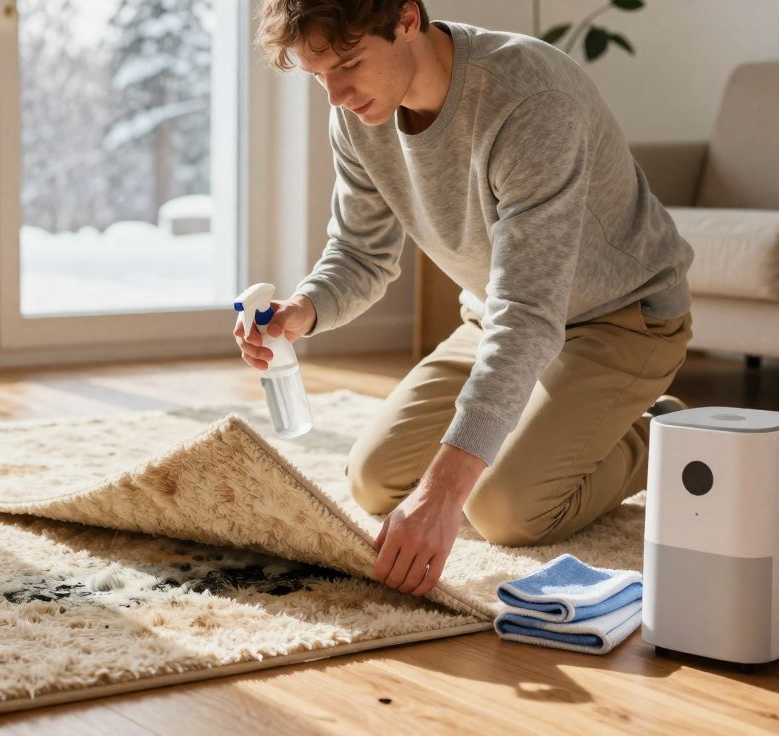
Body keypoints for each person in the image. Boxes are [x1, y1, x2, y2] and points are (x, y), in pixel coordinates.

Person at [233, 0, 695, 598]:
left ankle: (659, 426)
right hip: (495, 315)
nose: (336, 96)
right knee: (374, 480)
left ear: (406, 19)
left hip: (622, 319)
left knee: (504, 509)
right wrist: (306, 309)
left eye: (348, 63)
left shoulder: (530, 98)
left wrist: (444, 492)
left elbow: (529, 313)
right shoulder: (357, 116)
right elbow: (360, 252)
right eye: (318, 76)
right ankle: (557, 420)